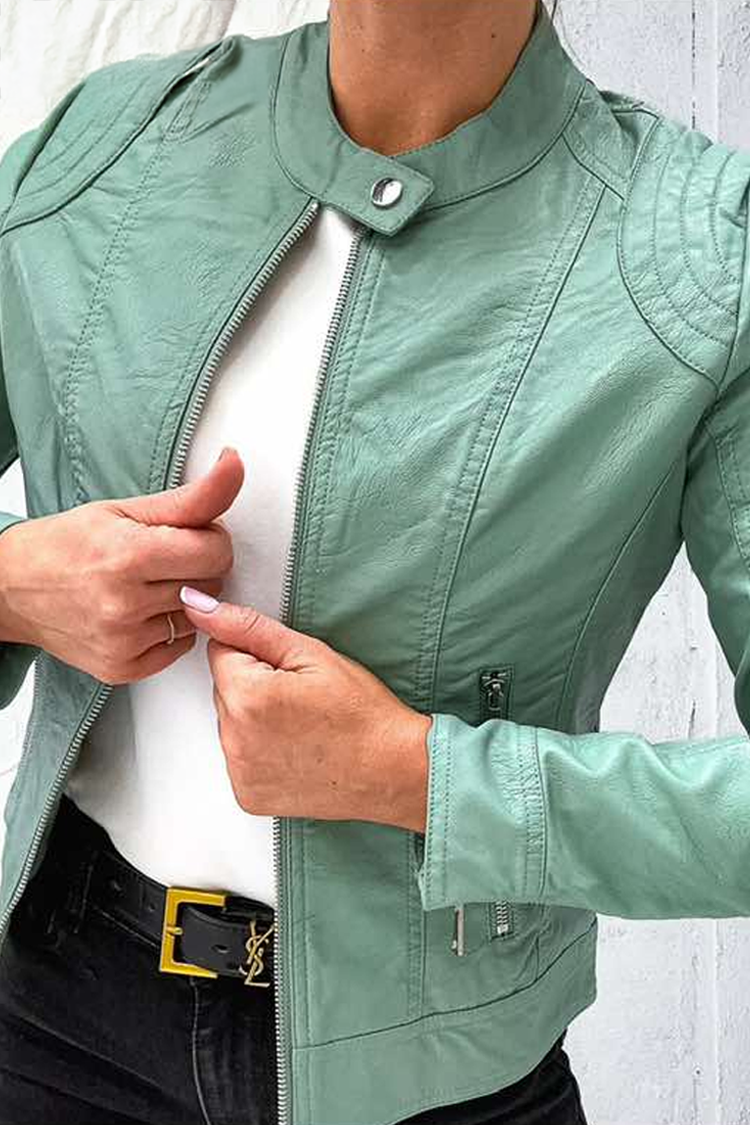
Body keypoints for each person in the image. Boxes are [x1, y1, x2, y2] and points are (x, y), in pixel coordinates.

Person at [0, 0, 749, 1121]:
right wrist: (12, 587)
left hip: (435, 1081)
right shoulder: (110, 145)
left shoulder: (700, 254)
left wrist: (419, 776)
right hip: (55, 1026)